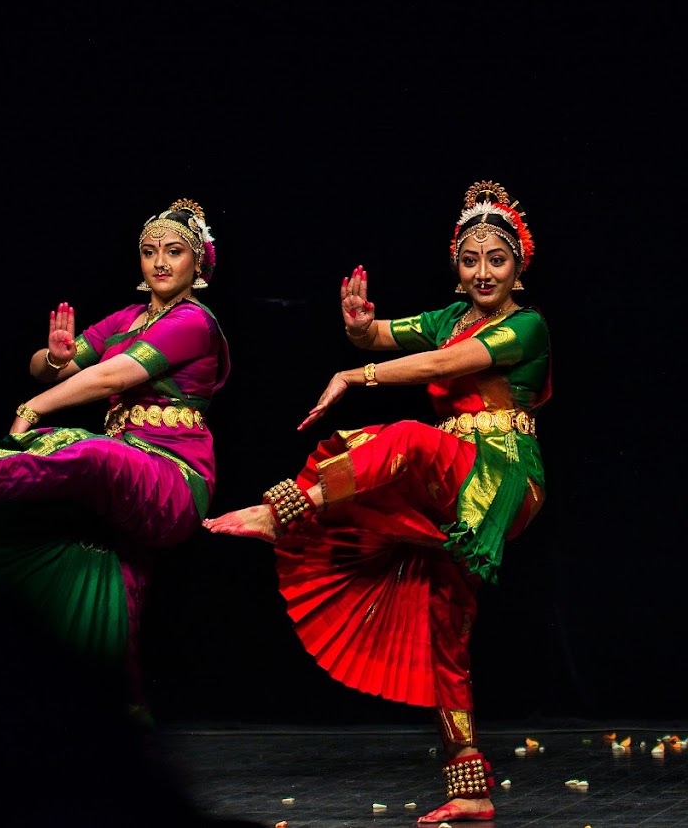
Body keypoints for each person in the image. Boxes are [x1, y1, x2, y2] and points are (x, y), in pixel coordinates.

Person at [204, 180, 550, 825]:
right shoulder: (448, 317)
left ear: (518, 268)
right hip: (452, 489)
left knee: (407, 442)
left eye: (496, 260)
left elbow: (434, 366)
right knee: (446, 624)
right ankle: (469, 784)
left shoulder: (526, 325)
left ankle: (282, 510)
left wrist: (354, 374)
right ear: (456, 266)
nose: (482, 272)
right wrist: (359, 329)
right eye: (470, 260)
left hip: (501, 479)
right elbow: (385, 339)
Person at [0, 197, 231, 721]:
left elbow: (113, 376)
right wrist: (54, 358)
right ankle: (122, 709)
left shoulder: (194, 321)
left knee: (82, 452)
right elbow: (49, 366)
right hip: (126, 473)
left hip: (173, 479)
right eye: (148, 252)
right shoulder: (128, 318)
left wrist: (33, 405)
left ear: (198, 264)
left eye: (173, 251)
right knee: (114, 587)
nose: (159, 262)